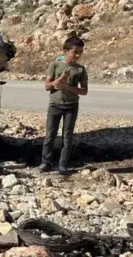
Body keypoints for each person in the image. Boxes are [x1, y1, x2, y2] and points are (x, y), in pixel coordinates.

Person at [40, 37, 88, 175]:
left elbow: (84, 91)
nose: (78, 55)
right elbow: (47, 86)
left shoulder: (80, 69)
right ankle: (45, 163)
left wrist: (66, 86)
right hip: (55, 105)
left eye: (80, 52)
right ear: (65, 51)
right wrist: (60, 79)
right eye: (75, 52)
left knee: (67, 136)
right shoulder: (55, 65)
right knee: (50, 135)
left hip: (71, 106)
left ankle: (63, 165)